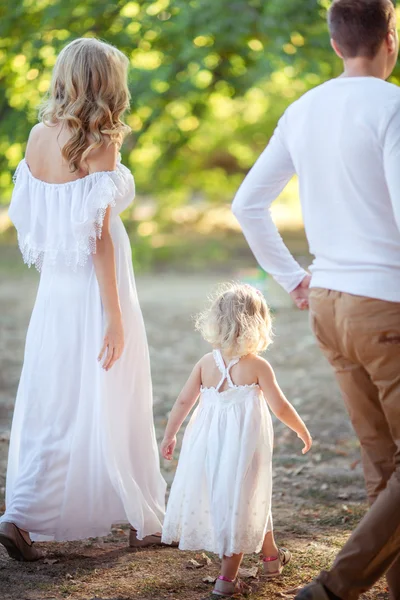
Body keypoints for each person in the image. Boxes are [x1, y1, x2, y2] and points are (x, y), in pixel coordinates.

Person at [231, 0, 400, 598]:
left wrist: (294, 279)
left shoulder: (303, 109)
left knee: (383, 466)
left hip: (328, 303)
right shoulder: (393, 105)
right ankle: (334, 589)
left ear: (334, 44)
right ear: (390, 38)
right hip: (386, 305)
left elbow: (247, 204)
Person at [0, 38, 167, 561]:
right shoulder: (100, 142)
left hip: (57, 290)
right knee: (118, 391)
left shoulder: (36, 137)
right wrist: (115, 318)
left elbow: (31, 220)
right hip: (99, 289)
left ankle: (19, 515)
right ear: (104, 83)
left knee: (56, 397)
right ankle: (142, 519)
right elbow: (97, 237)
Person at [160, 282, 312, 597]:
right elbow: (280, 405)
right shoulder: (257, 366)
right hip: (245, 446)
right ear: (258, 324)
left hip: (209, 446)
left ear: (216, 322)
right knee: (241, 504)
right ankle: (226, 581)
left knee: (252, 496)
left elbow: (183, 403)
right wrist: (301, 428)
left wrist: (171, 434)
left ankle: (271, 558)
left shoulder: (206, 363)